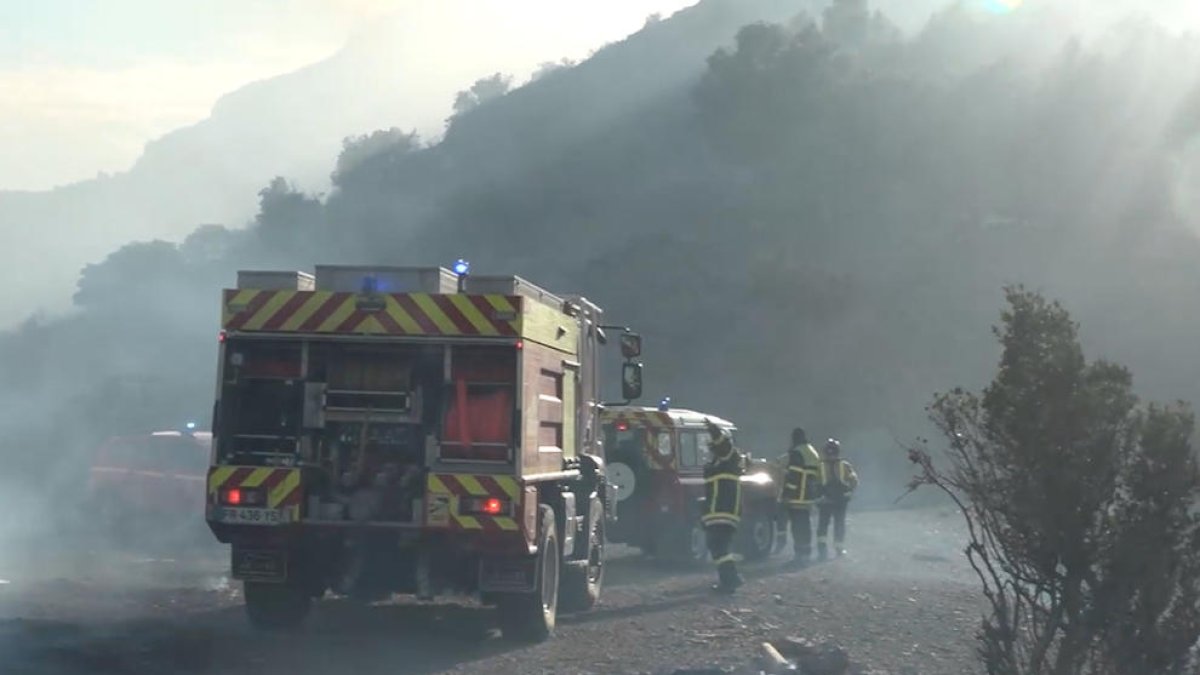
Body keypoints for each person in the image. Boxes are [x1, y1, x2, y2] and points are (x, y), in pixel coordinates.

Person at [701, 419, 746, 594]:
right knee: (717, 546)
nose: (711, 449)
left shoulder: (730, 457)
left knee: (719, 546)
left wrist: (714, 431)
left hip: (725, 510)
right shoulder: (719, 462)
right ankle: (729, 580)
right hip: (717, 511)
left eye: (713, 446)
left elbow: (724, 446)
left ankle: (731, 580)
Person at [775, 427, 822, 568]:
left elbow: (794, 475)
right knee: (805, 525)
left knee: (797, 526)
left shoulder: (797, 453)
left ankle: (799, 556)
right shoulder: (812, 451)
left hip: (797, 496)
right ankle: (806, 553)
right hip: (808, 495)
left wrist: (787, 494)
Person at [817, 438, 859, 559]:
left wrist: (818, 496)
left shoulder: (819, 466)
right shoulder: (845, 465)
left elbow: (814, 482)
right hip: (840, 500)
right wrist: (849, 492)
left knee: (823, 524)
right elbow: (854, 481)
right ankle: (839, 549)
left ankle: (822, 550)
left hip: (825, 500)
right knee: (839, 524)